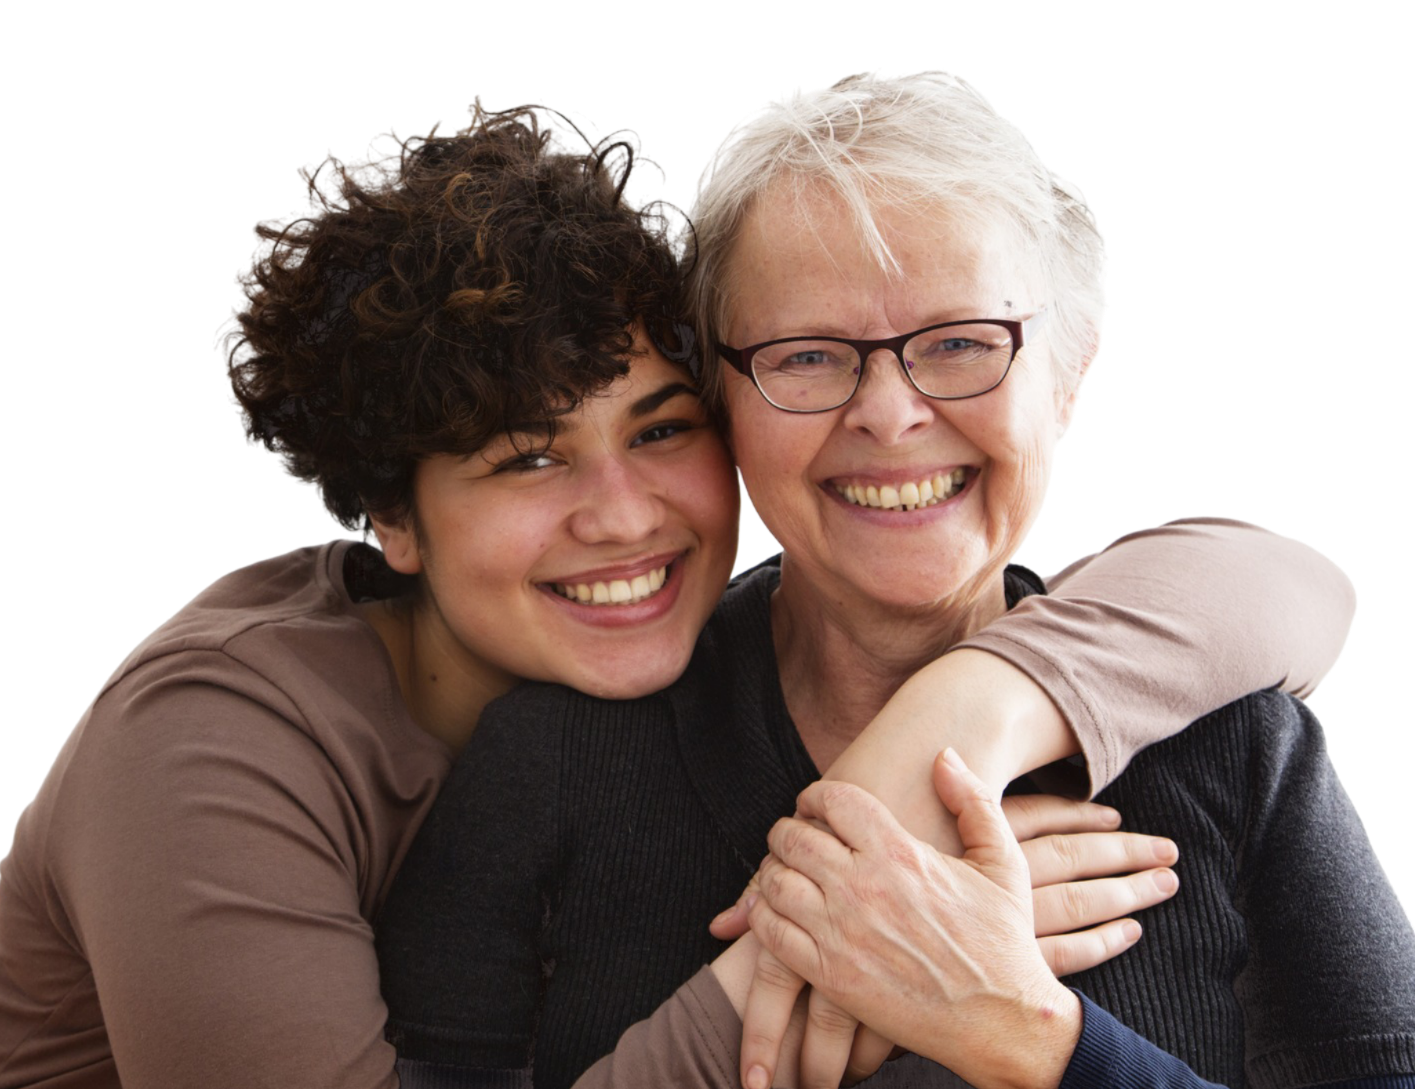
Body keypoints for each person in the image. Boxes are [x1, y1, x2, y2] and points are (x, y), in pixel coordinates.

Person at [0, 99, 1361, 1090]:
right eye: (527, 456)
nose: (627, 513)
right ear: (390, 520)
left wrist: (949, 744)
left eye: (661, 427)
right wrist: (843, 945)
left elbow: (1285, 585)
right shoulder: (220, 746)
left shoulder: (1221, 742)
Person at [375, 74, 1410, 1089]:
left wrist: (1027, 1036)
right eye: (808, 356)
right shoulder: (550, 758)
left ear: (1069, 372)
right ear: (721, 395)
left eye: (961, 342)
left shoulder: (1237, 749)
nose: (888, 413)